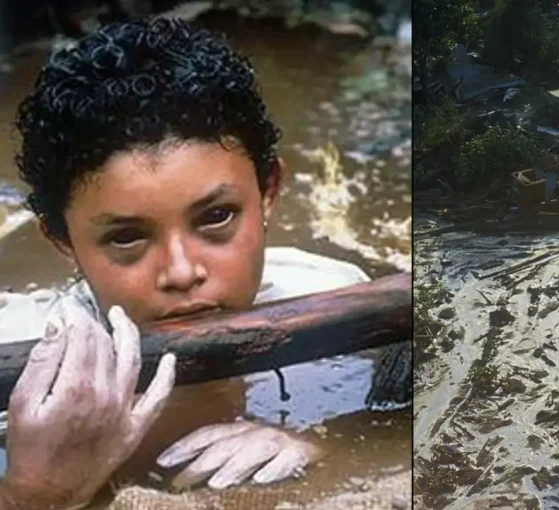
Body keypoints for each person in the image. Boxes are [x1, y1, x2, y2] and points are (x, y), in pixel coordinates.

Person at [0, 16, 373, 509]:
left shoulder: (338, 304)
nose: (181, 272)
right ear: (62, 240)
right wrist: (35, 493)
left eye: (217, 217)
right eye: (127, 237)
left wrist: (324, 444)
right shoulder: (15, 372)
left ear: (269, 193)